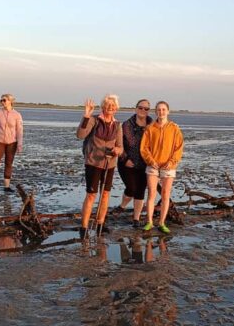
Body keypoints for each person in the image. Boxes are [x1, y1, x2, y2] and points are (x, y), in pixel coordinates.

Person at [76, 95, 123, 238]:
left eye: (113, 106)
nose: (110, 108)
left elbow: (120, 147)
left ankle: (100, 225)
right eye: (108, 105)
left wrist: (117, 151)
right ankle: (84, 227)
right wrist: (86, 115)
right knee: (91, 195)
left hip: (109, 164)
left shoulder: (117, 125)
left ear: (116, 109)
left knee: (106, 194)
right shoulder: (94, 120)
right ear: (103, 107)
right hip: (93, 163)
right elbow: (80, 135)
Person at [141, 101, 184, 234]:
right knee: (151, 193)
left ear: (168, 111)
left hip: (168, 166)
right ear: (156, 112)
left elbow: (179, 148)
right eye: (159, 109)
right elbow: (144, 148)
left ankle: (161, 223)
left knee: (165, 194)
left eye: (164, 109)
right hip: (153, 166)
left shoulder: (174, 128)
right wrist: (150, 161)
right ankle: (149, 222)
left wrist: (172, 162)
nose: (161, 112)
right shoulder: (150, 128)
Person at [113, 99, 153, 228]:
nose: (143, 110)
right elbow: (118, 144)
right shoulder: (125, 125)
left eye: (146, 109)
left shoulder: (153, 125)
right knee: (131, 188)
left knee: (140, 191)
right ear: (135, 109)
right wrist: (125, 159)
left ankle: (136, 219)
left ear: (149, 111)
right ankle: (122, 206)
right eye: (140, 108)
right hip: (127, 163)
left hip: (145, 163)